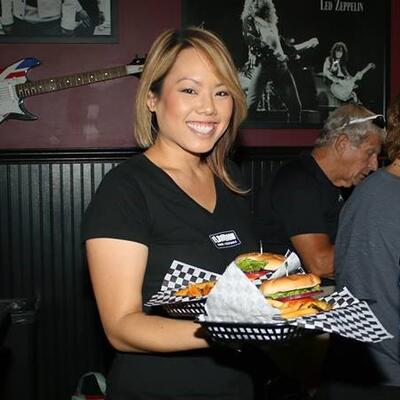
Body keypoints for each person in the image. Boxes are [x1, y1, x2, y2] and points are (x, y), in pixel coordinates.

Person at [81, 27, 260, 399]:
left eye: (222, 91)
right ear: (152, 98)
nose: (209, 107)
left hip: (237, 386)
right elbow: (120, 326)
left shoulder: (231, 183)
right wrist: (225, 330)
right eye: (189, 89)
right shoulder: (125, 190)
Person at [314, 95, 400, 400]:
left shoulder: (368, 191)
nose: (373, 163)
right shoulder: (382, 197)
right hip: (384, 379)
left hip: (352, 370)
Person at [254, 103, 386, 279]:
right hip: (288, 300)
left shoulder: (335, 185)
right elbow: (320, 265)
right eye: (370, 153)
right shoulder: (298, 182)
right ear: (342, 143)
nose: (374, 165)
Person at [240, 0, 318, 123]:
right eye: (253, 0)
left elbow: (287, 49)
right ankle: (248, 136)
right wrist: (276, 54)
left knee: (295, 107)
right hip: (264, 66)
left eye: (258, 0)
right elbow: (254, 42)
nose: (255, 3)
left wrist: (308, 44)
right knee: (250, 106)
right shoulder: (249, 20)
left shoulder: (271, 25)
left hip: (280, 67)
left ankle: (293, 137)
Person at [0, 0, 92, 36]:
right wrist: (6, 20)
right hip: (20, 23)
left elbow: (69, 1)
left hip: (51, 25)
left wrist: (67, 26)